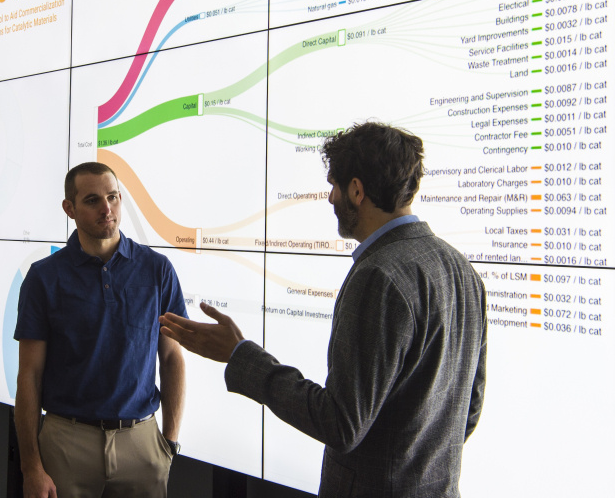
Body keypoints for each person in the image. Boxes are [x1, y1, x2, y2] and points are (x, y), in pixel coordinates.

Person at [160, 121, 487, 497]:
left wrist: (240, 355)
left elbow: (341, 425)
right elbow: (469, 409)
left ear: (357, 190)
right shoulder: (460, 268)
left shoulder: (379, 275)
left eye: (334, 185)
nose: (331, 198)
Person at [14, 162, 187, 498]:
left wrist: (169, 442)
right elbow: (29, 376)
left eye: (113, 197)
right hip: (66, 442)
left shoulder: (157, 269)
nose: (107, 209)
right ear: (70, 208)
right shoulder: (44, 278)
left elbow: (171, 359)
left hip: (142, 442)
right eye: (93, 200)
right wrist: (30, 466)